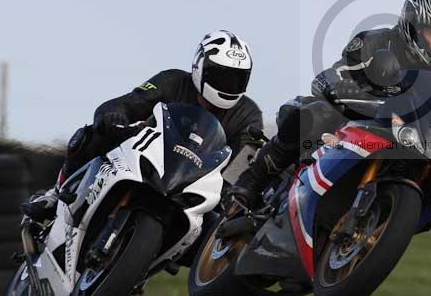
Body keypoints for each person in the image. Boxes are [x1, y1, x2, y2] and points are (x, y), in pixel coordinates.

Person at [229, 0, 431, 208]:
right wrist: (342, 88)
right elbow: (331, 76)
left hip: (411, 141)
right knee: (310, 114)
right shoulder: (374, 42)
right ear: (413, 25)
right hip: (361, 118)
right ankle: (252, 180)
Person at [22, 30, 264, 221]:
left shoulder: (249, 115)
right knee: (89, 136)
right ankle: (55, 194)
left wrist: (230, 198)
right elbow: (130, 103)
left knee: (225, 224)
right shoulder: (172, 80)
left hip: (196, 186)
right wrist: (116, 114)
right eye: (221, 75)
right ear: (200, 68)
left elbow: (238, 170)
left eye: (236, 79)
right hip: (147, 157)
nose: (228, 85)